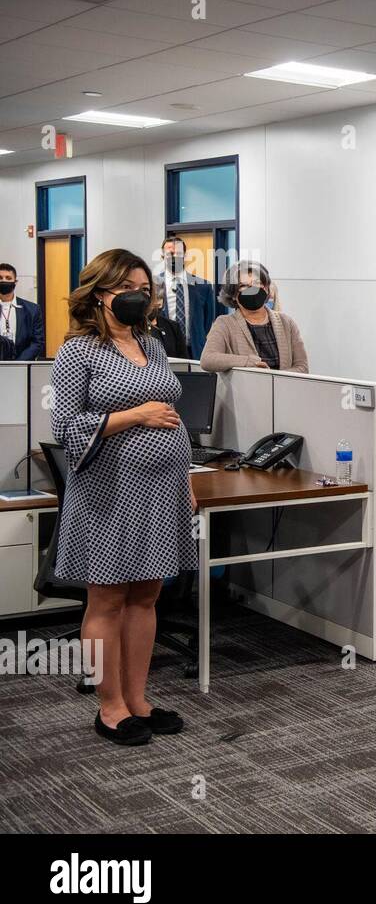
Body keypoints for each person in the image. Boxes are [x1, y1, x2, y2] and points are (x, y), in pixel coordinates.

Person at [50, 249, 197, 746]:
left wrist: (187, 480)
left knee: (147, 595)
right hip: (108, 493)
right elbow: (66, 428)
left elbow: (172, 415)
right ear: (100, 293)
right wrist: (134, 417)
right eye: (127, 287)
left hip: (163, 488)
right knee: (107, 599)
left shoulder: (151, 344)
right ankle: (108, 706)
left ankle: (138, 698)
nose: (139, 295)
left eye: (144, 286)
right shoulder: (78, 351)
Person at [201, 261, 308, 373]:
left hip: (283, 389)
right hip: (243, 390)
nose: (252, 290)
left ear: (266, 288)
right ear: (233, 294)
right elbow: (208, 359)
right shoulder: (224, 323)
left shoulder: (286, 322)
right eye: (244, 286)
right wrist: (248, 362)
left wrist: (274, 379)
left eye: (257, 283)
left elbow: (302, 367)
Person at [157, 236, 216, 359]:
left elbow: (207, 321)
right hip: (162, 351)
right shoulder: (153, 285)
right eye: (170, 253)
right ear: (162, 256)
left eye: (178, 253)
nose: (174, 257)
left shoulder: (203, 286)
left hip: (194, 351)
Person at [0, 263, 45, 360]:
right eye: (0, 278)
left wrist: (19, 363)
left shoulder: (33, 310)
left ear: (15, 282)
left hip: (22, 367)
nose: (4, 280)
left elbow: (37, 342)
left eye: (8, 278)